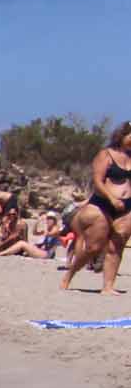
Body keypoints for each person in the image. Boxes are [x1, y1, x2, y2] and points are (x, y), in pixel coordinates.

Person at [62, 122, 131, 292]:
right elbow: (98, 181)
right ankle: (70, 274)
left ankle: (108, 287)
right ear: (123, 135)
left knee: (117, 245)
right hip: (103, 203)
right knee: (94, 247)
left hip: (127, 205)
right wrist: (112, 198)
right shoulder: (106, 154)